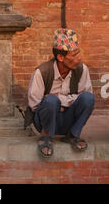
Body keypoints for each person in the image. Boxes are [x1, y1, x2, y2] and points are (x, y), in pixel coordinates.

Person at [27, 28, 95, 158]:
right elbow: (34, 104)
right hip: (44, 121)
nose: (79, 58)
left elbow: (85, 95)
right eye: (74, 55)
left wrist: (61, 102)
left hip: (68, 120)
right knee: (51, 101)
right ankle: (46, 137)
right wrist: (57, 101)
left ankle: (72, 135)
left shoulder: (82, 69)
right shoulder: (41, 72)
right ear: (60, 57)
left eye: (78, 53)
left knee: (88, 98)